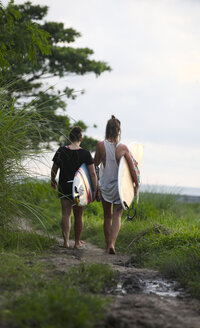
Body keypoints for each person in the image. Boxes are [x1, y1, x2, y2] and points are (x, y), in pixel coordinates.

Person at [94, 115, 139, 254]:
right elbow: (132, 169)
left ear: (107, 129)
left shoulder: (100, 145)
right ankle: (113, 244)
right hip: (120, 188)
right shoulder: (123, 148)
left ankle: (107, 246)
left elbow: (94, 164)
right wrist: (136, 185)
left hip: (106, 186)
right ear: (119, 130)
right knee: (117, 216)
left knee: (107, 216)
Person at [51, 126, 97, 248]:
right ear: (80, 138)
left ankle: (66, 242)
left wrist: (53, 180)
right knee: (78, 215)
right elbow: (92, 174)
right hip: (80, 189)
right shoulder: (86, 154)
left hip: (65, 187)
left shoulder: (61, 150)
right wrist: (94, 189)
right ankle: (77, 242)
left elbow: (54, 169)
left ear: (70, 137)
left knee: (66, 214)